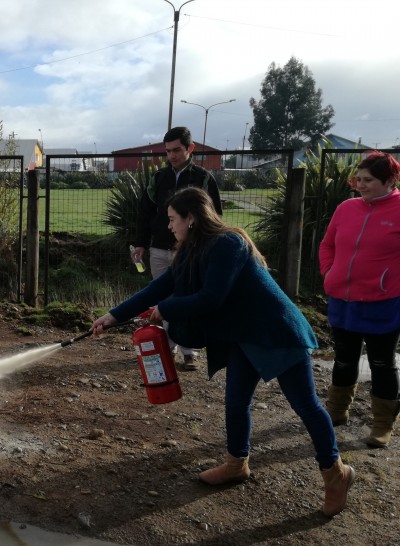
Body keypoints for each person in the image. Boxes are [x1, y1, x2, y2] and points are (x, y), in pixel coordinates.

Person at [92, 186, 354, 517]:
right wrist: (114, 315)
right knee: (235, 401)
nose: (169, 226)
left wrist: (167, 309)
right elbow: (158, 287)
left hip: (274, 331)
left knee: (305, 406)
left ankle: (336, 474)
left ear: (191, 218)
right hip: (242, 335)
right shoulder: (191, 249)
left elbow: (211, 297)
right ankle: (236, 463)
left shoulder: (228, 244)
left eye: (173, 219)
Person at [319, 151, 400, 447]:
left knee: (382, 363)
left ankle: (382, 424)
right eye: (358, 179)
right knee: (343, 359)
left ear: (390, 180)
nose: (360, 185)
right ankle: (337, 410)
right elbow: (327, 244)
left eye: (368, 180)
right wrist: (329, 274)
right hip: (343, 299)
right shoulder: (346, 208)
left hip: (384, 303)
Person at [132, 126, 223, 372]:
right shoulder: (158, 178)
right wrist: (141, 242)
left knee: (186, 297)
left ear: (190, 149)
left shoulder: (203, 178)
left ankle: (189, 351)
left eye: (177, 150)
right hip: (160, 247)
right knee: (163, 299)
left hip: (191, 250)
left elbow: (215, 216)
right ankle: (166, 348)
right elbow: (145, 211)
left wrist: (206, 247)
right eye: (168, 151)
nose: (172, 156)